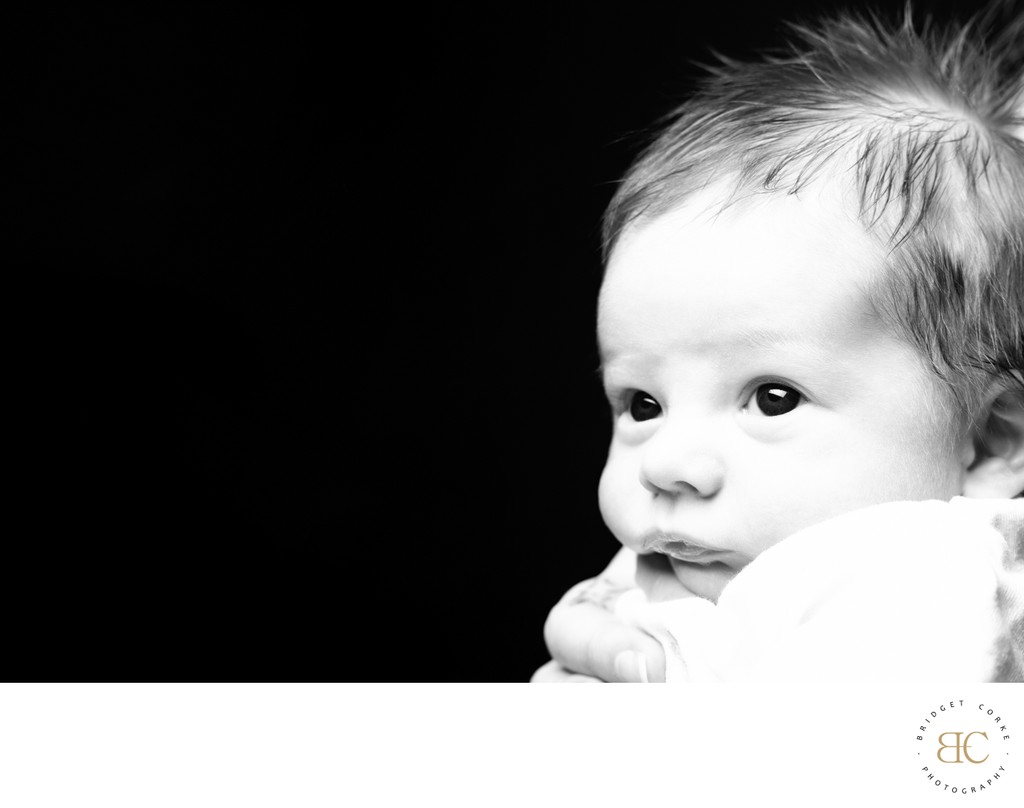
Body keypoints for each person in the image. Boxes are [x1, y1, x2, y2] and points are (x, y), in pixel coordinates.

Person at [533, 3, 1024, 683]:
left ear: (991, 441)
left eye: (772, 398)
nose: (666, 464)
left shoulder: (930, 590)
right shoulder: (700, 557)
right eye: (643, 404)